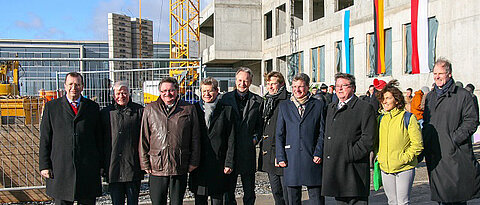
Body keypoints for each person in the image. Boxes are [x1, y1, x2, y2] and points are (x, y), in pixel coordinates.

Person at [39, 72, 103, 205]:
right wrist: (44, 165)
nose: (74, 87)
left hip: (87, 168)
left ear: (82, 87)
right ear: (65, 86)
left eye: (77, 84)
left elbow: (99, 138)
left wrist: (101, 165)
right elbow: (45, 138)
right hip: (61, 167)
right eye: (71, 84)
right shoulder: (52, 107)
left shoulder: (92, 107)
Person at [422, 58, 480, 204]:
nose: (437, 76)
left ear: (449, 74)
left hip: (454, 155)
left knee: (456, 197)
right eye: (435, 73)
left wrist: (453, 139)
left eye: (440, 73)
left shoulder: (462, 95)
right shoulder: (430, 97)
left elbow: (471, 121)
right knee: (442, 198)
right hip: (436, 154)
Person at [139, 77, 201, 205]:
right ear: (160, 92)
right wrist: (145, 163)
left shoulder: (188, 109)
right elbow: (144, 138)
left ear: (177, 91)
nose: (168, 94)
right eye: (164, 91)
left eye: (171, 90)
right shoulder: (150, 109)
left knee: (177, 202)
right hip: (157, 165)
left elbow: (195, 137)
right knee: (157, 201)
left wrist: (194, 161)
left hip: (179, 164)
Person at [322, 73, 376, 205]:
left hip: (354, 169)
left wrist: (350, 154)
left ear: (353, 88)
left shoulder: (364, 108)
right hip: (337, 168)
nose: (340, 89)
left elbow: (368, 138)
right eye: (337, 86)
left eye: (344, 86)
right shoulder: (331, 108)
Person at [276, 73, 325, 205]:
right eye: (294, 86)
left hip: (312, 157)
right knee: (292, 199)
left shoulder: (318, 105)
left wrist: (318, 152)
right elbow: (280, 134)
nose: (297, 90)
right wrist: (280, 156)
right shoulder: (284, 106)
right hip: (291, 158)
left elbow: (322, 132)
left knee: (316, 198)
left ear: (308, 87)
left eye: (301, 87)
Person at [375, 80, 423, 205]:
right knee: (391, 201)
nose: (385, 101)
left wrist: (404, 158)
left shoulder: (408, 118)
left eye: (388, 98)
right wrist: (379, 156)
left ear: (396, 100)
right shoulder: (380, 119)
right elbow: (376, 142)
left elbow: (417, 144)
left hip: (404, 167)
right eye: (383, 98)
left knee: (402, 202)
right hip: (385, 168)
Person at [189, 77, 236, 205]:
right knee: (200, 200)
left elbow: (231, 139)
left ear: (217, 91)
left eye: (210, 91)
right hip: (199, 164)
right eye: (204, 91)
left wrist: (229, 162)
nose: (206, 94)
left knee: (217, 200)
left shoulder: (226, 110)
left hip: (218, 163)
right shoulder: (194, 109)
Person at [221, 67, 263, 205]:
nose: (242, 83)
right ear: (235, 80)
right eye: (240, 80)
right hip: (229, 151)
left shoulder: (258, 101)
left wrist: (255, 139)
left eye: (246, 80)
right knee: (228, 189)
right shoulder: (225, 99)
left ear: (250, 81)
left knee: (249, 189)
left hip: (247, 151)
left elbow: (260, 125)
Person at [101, 81, 144, 205]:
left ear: (129, 94)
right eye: (118, 93)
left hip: (133, 165)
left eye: (124, 93)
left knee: (133, 201)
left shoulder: (139, 111)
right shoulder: (106, 113)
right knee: (116, 201)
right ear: (113, 95)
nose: (121, 96)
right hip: (113, 166)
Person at [258, 71, 290, 205]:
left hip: (281, 152)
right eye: (268, 84)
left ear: (281, 84)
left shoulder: (287, 100)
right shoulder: (266, 100)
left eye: (274, 84)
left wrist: (282, 151)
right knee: (276, 190)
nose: (270, 87)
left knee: (287, 191)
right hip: (268, 152)